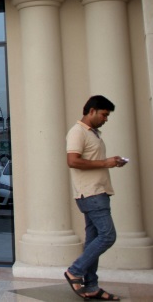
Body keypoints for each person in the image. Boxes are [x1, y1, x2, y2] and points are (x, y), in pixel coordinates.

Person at [64, 95, 127, 301]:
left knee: (93, 240)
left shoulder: (94, 134)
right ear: (92, 110)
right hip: (90, 193)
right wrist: (105, 163)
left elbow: (93, 161)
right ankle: (75, 271)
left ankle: (91, 286)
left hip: (98, 192)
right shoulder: (77, 132)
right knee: (108, 236)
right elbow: (72, 161)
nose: (105, 119)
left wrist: (112, 162)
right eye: (104, 114)